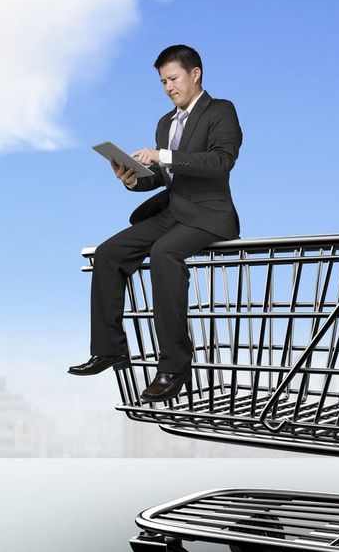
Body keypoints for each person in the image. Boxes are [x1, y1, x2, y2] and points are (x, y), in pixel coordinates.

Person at [68, 44, 243, 402]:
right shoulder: (165, 123)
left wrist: (163, 155)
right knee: (108, 253)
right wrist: (132, 178)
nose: (168, 88)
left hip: (210, 214)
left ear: (195, 74)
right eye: (163, 82)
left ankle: (174, 366)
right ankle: (109, 348)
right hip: (173, 212)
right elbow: (166, 179)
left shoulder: (221, 111)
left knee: (164, 254)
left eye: (174, 79)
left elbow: (220, 162)